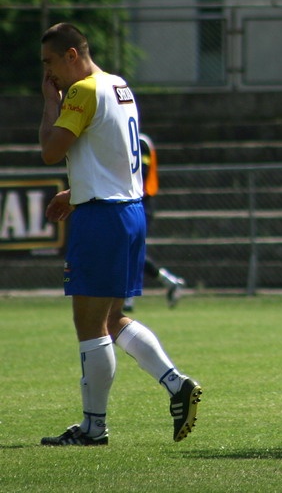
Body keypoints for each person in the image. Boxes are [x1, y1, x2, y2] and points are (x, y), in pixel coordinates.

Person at [38, 23, 201, 446]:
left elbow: (50, 150)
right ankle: (176, 383)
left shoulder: (82, 91)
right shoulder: (118, 85)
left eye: (50, 62)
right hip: (128, 212)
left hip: (102, 220)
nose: (48, 73)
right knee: (111, 320)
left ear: (72, 55)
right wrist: (78, 191)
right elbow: (111, 154)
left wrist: (48, 103)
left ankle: (94, 428)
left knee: (89, 325)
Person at [124, 133, 187, 312]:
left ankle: (128, 297)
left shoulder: (140, 141)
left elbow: (140, 172)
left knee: (129, 248)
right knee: (128, 249)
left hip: (141, 202)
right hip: (129, 202)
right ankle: (168, 281)